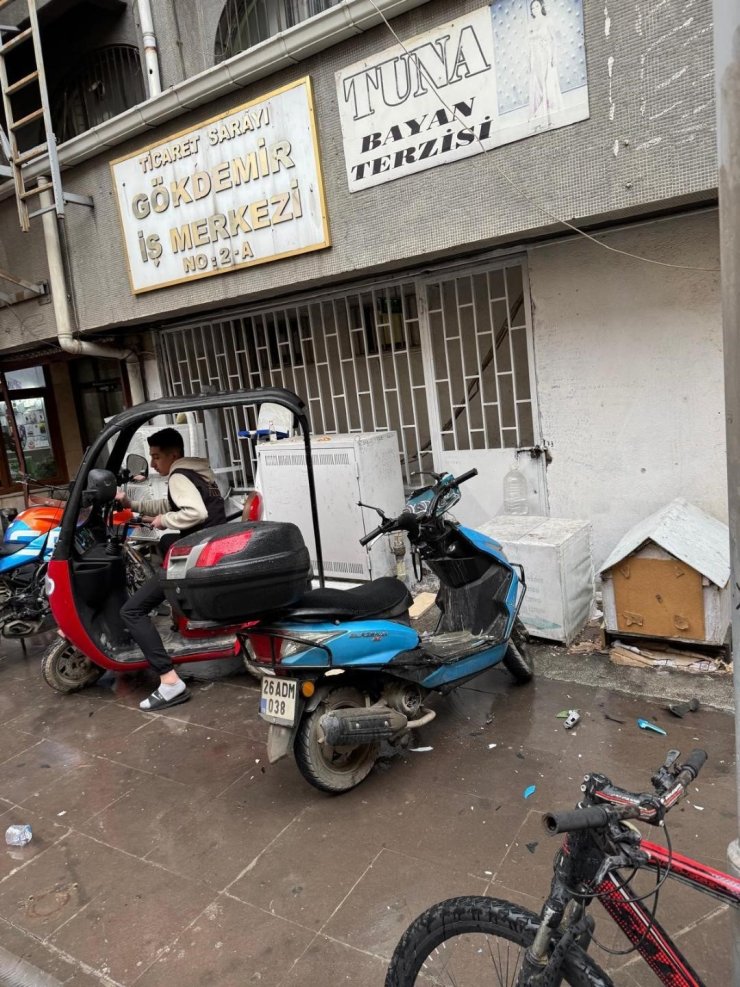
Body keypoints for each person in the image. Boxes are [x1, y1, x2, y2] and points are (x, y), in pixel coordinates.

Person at [118, 427, 226, 711]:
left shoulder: (179, 475)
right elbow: (172, 502)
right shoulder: (198, 472)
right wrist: (135, 505)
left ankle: (169, 681)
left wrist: (164, 520)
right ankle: (179, 619)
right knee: (165, 543)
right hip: (210, 549)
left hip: (196, 558)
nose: (153, 464)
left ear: (173, 455)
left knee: (131, 610)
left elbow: (195, 512)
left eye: (156, 457)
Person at [528, 0, 564, 129]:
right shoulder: (530, 24)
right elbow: (530, 45)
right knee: (538, 86)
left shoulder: (547, 20)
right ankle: (540, 117)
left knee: (548, 84)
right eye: (532, 8)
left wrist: (554, 56)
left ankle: (552, 116)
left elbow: (554, 39)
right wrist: (530, 61)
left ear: (541, 6)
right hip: (536, 58)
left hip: (546, 55)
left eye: (537, 6)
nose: (535, 9)